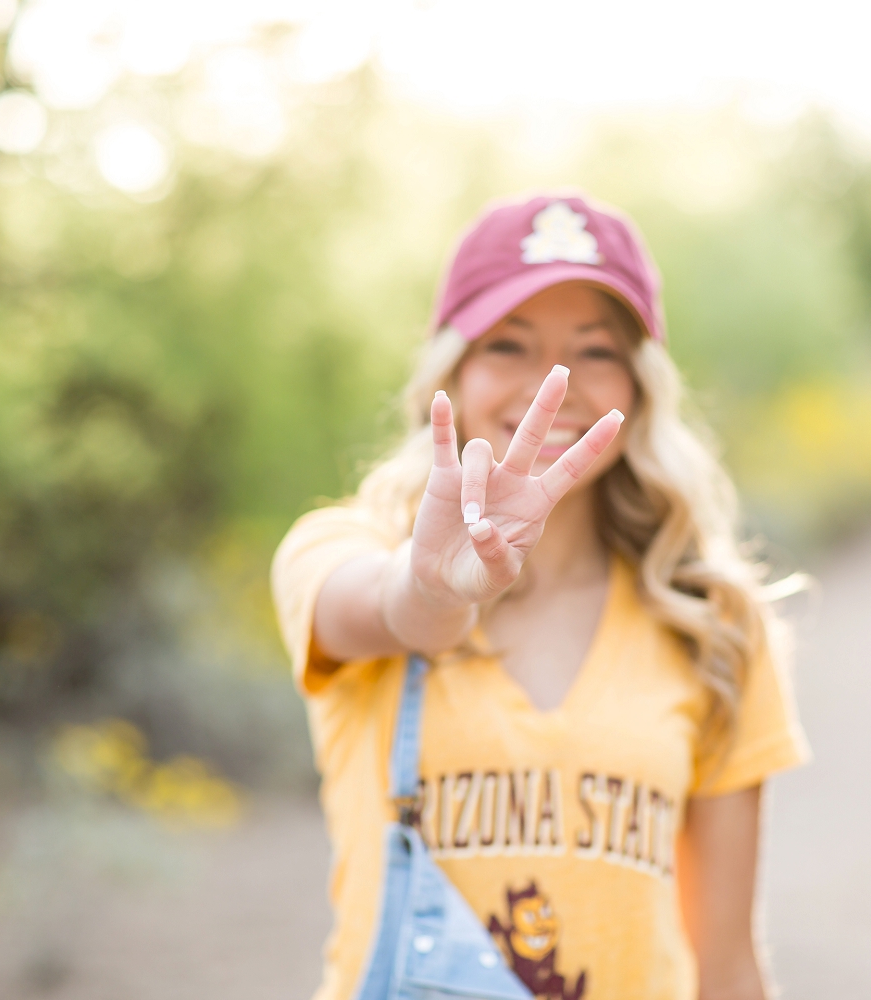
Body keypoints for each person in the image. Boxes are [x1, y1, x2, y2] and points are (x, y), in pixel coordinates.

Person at [271, 193, 812, 1000]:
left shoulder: (714, 624)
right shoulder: (341, 552)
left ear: (641, 386)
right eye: (509, 344)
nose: (553, 384)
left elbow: (727, 966)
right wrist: (430, 589)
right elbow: (389, 610)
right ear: (448, 377)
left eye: (595, 351)